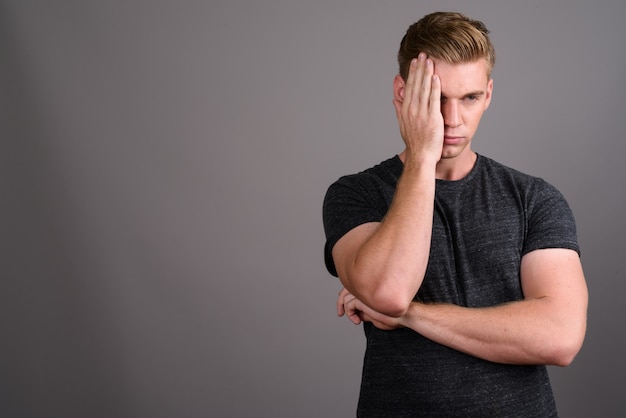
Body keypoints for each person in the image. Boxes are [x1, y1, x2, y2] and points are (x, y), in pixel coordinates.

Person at [322, 11, 588, 417]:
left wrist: (413, 315)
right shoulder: (356, 194)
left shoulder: (535, 198)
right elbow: (390, 291)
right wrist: (422, 156)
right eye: (436, 98)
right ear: (402, 92)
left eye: (470, 97)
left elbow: (560, 337)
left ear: (489, 94)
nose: (451, 119)